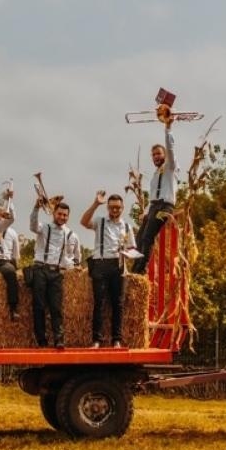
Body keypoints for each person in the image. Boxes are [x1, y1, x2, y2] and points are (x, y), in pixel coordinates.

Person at [81, 189, 135, 348]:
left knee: (118, 303)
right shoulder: (100, 221)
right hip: (100, 264)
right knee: (99, 303)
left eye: (117, 207)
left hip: (118, 265)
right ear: (108, 208)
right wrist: (95, 204)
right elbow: (83, 222)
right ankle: (96, 340)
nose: (115, 210)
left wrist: (128, 252)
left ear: (122, 208)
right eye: (112, 207)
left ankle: (116, 339)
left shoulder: (127, 226)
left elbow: (132, 247)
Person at [28, 197, 81, 348]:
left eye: (65, 215)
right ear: (54, 214)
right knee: (39, 306)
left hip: (57, 273)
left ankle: (59, 339)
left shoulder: (72, 235)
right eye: (60, 214)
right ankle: (42, 341)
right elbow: (32, 225)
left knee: (56, 307)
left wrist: (75, 268)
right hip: (41, 269)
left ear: (68, 216)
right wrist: (36, 208)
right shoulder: (44, 227)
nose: (62, 217)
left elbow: (76, 258)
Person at [133, 105, 176, 272]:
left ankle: (140, 270)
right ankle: (135, 266)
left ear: (164, 155)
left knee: (147, 237)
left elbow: (171, 149)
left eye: (159, 153)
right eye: (154, 155)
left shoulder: (170, 168)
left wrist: (168, 128)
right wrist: (145, 211)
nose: (156, 156)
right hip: (153, 206)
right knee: (139, 237)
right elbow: (152, 195)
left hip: (164, 207)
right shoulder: (154, 176)